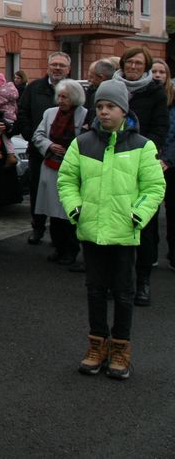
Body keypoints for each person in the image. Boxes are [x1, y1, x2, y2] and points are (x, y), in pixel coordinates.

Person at [58, 80, 165, 380]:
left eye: (111, 107)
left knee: (123, 292)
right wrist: (76, 209)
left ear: (124, 111)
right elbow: (67, 180)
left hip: (124, 231)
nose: (104, 112)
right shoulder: (82, 143)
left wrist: (137, 215)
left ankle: (120, 348)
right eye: (100, 107)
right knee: (95, 290)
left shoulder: (142, 146)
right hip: (91, 229)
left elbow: (154, 187)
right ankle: (96, 345)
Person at [111, 47, 169, 306]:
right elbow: (97, 118)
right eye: (129, 62)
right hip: (112, 161)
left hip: (142, 161)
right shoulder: (111, 87)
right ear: (123, 64)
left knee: (144, 225)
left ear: (145, 67)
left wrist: (141, 149)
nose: (133, 67)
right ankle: (117, 280)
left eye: (138, 63)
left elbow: (160, 128)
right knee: (115, 221)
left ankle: (143, 281)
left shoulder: (155, 91)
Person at [31, 79, 87, 266]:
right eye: (60, 96)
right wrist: (49, 145)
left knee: (69, 212)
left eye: (66, 97)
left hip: (72, 169)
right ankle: (58, 247)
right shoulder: (49, 113)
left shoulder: (84, 115)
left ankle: (71, 250)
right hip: (51, 166)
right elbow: (38, 135)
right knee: (53, 212)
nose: (61, 100)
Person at [17, 51, 72, 244]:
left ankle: (61, 236)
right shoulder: (34, 88)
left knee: (64, 192)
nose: (57, 68)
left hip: (66, 154)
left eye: (62, 65)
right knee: (37, 190)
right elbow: (22, 112)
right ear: (48, 67)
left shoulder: (73, 89)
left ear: (68, 69)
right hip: (38, 151)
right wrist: (31, 136)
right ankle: (38, 228)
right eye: (54, 64)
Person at [155, 60, 175, 272]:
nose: (158, 75)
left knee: (172, 210)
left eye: (162, 72)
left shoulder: (173, 99)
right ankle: (149, 253)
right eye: (154, 71)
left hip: (171, 164)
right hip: (150, 160)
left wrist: (167, 159)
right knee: (148, 210)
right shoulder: (146, 97)